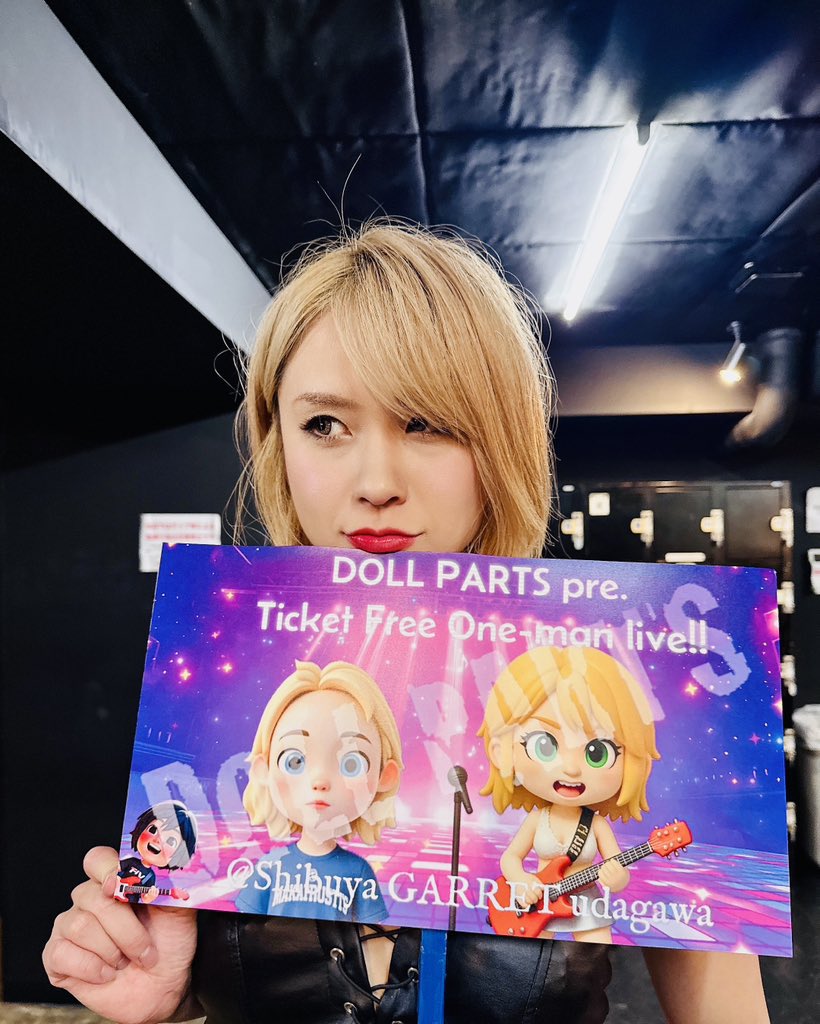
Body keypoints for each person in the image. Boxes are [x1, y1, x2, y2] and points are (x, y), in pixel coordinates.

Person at [43, 222, 770, 1023]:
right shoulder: (237, 719)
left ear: (503, 438)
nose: (376, 481)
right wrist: (174, 993)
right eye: (325, 424)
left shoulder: (599, 683)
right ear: (277, 440)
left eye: (427, 422)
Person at [479, 646, 660, 943]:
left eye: (597, 752)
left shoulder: (596, 824)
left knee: (595, 958)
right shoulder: (538, 818)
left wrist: (618, 878)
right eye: (544, 745)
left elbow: (617, 867)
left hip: (586, 901)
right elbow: (511, 857)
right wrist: (522, 880)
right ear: (501, 751)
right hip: (538, 902)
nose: (572, 769)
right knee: (529, 961)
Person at [236, 659, 402, 923]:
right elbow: (247, 927)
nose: (320, 781)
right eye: (294, 761)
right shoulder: (270, 866)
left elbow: (372, 934)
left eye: (352, 764)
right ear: (263, 769)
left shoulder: (358, 871)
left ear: (385, 777)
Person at [115, 801, 198, 905]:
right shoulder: (132, 861)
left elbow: (145, 899)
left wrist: (150, 897)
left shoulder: (150, 877)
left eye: (170, 841)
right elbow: (115, 868)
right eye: (153, 830)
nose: (158, 840)